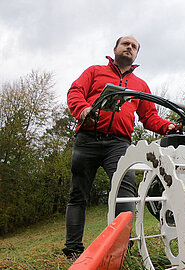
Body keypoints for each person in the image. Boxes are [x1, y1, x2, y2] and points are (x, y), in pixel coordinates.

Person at [63, 35, 177, 258]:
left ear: (136, 55)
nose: (130, 48)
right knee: (78, 195)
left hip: (119, 143)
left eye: (134, 47)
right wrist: (82, 109)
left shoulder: (140, 86)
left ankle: (121, 247)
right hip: (87, 139)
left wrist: (168, 127)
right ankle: (73, 250)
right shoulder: (94, 72)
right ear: (115, 48)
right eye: (126, 44)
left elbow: (149, 116)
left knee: (126, 192)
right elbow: (74, 92)